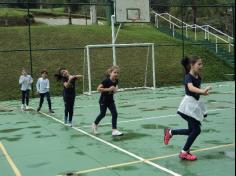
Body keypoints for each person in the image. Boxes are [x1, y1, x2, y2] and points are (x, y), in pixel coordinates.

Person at [164, 56, 211, 161]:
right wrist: (202, 91)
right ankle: (184, 152)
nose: (201, 66)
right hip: (188, 106)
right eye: (199, 64)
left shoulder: (198, 76)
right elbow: (191, 88)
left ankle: (170, 132)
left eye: (201, 64)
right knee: (196, 130)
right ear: (192, 65)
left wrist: (202, 102)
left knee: (191, 130)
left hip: (194, 105)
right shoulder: (188, 77)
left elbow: (196, 92)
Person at [91, 66, 123, 136]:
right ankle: (94, 124)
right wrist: (108, 89)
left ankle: (114, 130)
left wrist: (115, 90)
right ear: (110, 73)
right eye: (114, 72)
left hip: (111, 100)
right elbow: (98, 89)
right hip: (103, 100)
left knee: (115, 113)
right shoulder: (106, 81)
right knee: (102, 114)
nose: (116, 74)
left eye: (117, 73)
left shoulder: (116, 80)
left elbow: (115, 87)